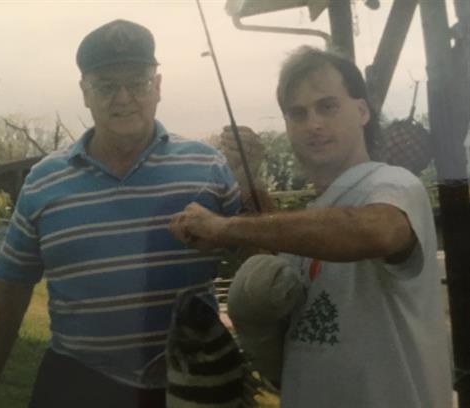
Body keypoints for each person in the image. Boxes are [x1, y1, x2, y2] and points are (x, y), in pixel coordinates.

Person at [0, 19, 242, 408]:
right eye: (107, 86)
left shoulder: (208, 166)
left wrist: (253, 189)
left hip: (192, 382)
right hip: (78, 384)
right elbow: (8, 292)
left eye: (138, 83)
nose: (123, 98)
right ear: (85, 93)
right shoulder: (43, 182)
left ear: (158, 86)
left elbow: (257, 259)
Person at [170, 46, 453, 407]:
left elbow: (377, 231)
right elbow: (276, 269)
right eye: (297, 113)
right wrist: (248, 180)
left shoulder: (394, 185)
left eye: (327, 106)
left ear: (362, 111)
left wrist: (224, 228)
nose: (313, 123)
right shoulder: (316, 216)